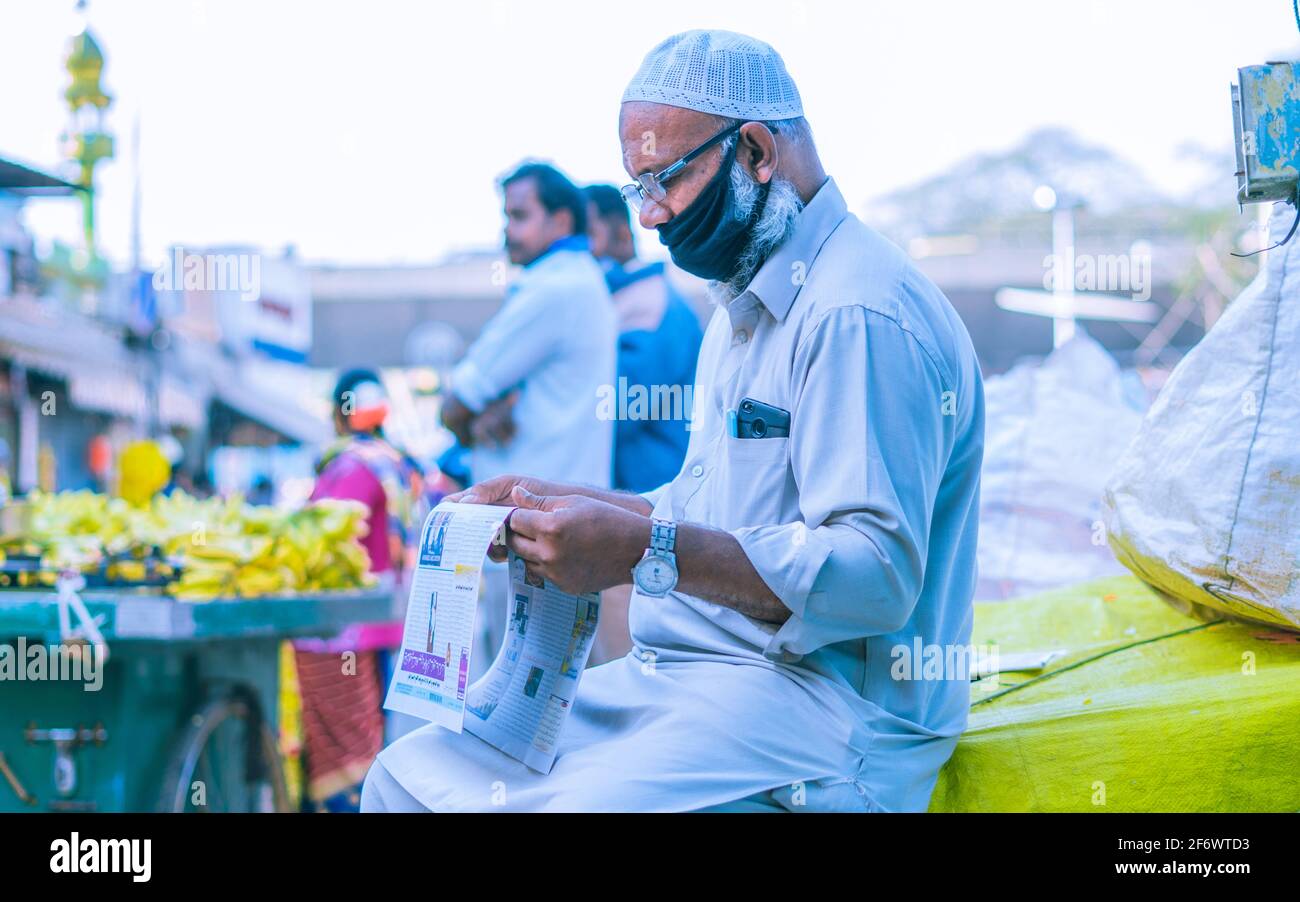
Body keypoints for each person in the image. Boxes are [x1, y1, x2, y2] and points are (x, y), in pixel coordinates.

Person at [365, 29, 984, 813]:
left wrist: (641, 548)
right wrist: (555, 503)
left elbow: (875, 577)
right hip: (695, 682)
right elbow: (712, 517)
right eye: (638, 188)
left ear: (757, 152)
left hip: (825, 714)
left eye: (665, 180)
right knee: (406, 776)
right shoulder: (742, 308)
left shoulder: (856, 311)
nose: (652, 215)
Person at [439, 162, 617, 676]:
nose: (506, 232)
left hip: (527, 532)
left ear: (561, 221)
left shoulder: (550, 289)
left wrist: (476, 415)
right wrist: (487, 410)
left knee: (526, 704)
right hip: (556, 524)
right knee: (563, 695)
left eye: (519, 216)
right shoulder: (582, 283)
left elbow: (456, 403)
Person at [292, 369, 434, 812]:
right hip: (388, 626)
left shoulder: (349, 466)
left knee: (346, 753)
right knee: (372, 744)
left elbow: (318, 539)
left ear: (340, 413)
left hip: (342, 633)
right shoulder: (400, 463)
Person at [584, 183, 703, 663]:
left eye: (582, 233)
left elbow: (613, 417)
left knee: (626, 669)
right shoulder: (626, 302)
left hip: (645, 518)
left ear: (616, 231)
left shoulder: (646, 307)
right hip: (636, 516)